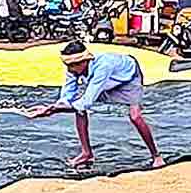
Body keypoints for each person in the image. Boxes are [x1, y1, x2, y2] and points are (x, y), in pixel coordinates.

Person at [24, 40, 165, 169]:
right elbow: (67, 96)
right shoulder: (72, 69)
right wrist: (53, 107)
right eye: (68, 65)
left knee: (135, 116)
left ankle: (156, 156)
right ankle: (87, 153)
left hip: (128, 78)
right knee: (78, 110)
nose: (70, 69)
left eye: (73, 65)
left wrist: (52, 110)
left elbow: (86, 102)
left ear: (84, 61)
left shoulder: (103, 66)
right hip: (107, 83)